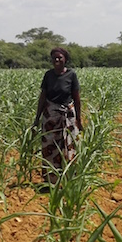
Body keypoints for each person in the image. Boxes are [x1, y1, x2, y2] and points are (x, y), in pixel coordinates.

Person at [34, 47, 83, 186]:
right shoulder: (48, 75)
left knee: (70, 146)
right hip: (50, 116)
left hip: (68, 115)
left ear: (65, 59)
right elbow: (43, 97)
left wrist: (79, 119)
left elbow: (77, 98)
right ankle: (52, 181)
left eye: (60, 57)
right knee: (50, 146)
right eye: (54, 58)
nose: (57, 60)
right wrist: (37, 119)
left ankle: (69, 179)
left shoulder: (71, 75)